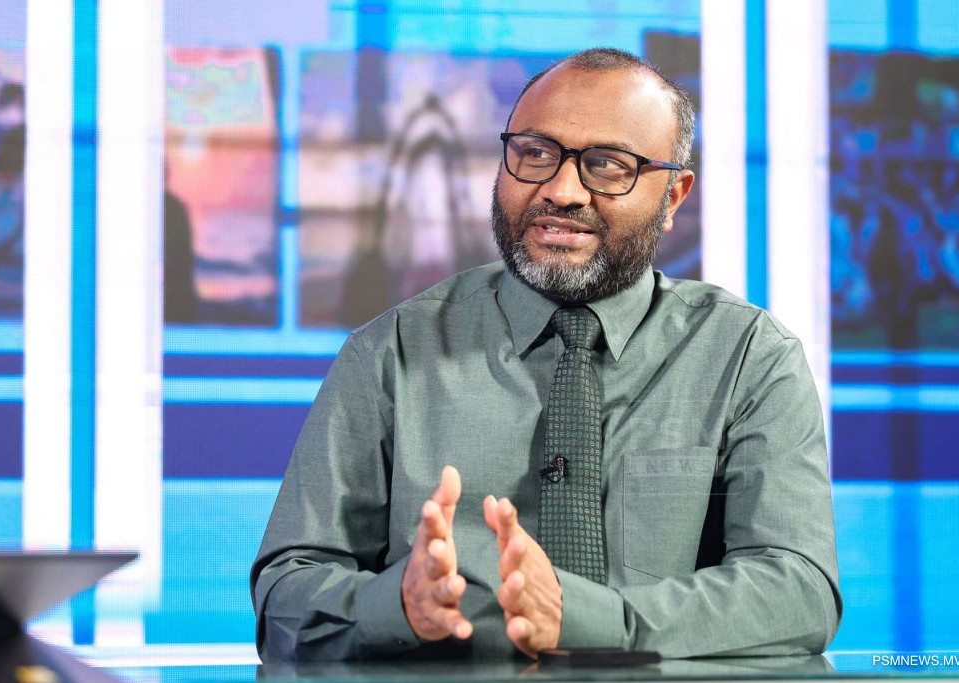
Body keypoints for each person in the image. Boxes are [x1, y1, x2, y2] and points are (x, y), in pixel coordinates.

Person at [251, 48, 842, 662]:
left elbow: (798, 591)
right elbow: (285, 595)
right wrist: (393, 606)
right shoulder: (390, 351)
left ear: (673, 197)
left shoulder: (749, 357)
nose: (561, 191)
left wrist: (593, 620)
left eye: (607, 165)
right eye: (535, 153)